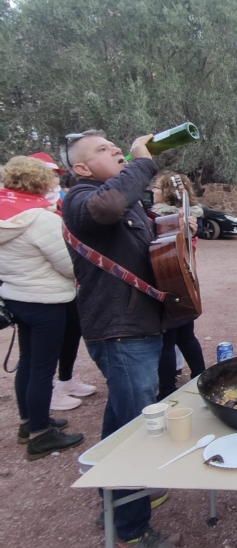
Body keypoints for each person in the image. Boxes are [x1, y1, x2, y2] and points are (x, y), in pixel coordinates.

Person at [61, 129, 192, 548]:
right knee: (140, 428)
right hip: (120, 332)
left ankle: (115, 501)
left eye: (115, 146)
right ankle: (132, 531)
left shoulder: (123, 202)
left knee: (121, 420)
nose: (116, 149)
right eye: (104, 149)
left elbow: (150, 250)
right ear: (81, 168)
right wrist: (142, 160)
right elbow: (110, 205)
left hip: (135, 327)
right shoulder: (83, 200)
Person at [0, 156, 85, 460]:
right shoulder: (40, 218)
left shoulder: (5, 212)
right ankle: (40, 434)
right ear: (40, 181)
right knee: (42, 368)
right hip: (48, 301)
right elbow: (68, 265)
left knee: (28, 362)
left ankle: (28, 422)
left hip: (17, 297)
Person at [27, 153, 97, 411]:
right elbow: (66, 262)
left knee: (69, 336)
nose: (54, 181)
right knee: (40, 358)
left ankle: (65, 380)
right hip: (46, 292)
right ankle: (39, 416)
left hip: (61, 291)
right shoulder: (38, 216)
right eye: (50, 176)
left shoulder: (55, 205)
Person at [148, 171, 207, 400]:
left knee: (168, 339)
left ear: (168, 192)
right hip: (184, 277)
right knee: (185, 334)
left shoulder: (162, 219)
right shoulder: (186, 216)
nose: (153, 191)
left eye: (157, 188)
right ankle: (200, 375)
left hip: (167, 279)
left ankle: (166, 389)